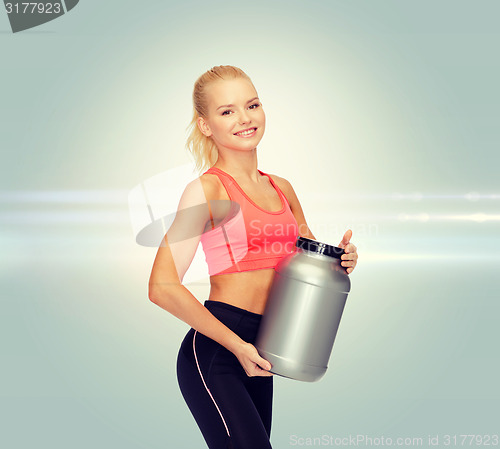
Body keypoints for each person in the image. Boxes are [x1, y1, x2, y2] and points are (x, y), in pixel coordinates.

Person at [148, 65, 358, 449]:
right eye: (227, 111)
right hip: (217, 350)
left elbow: (307, 263)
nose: (245, 118)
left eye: (252, 105)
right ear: (206, 125)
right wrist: (237, 346)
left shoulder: (282, 188)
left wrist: (340, 258)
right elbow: (161, 287)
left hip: (265, 348)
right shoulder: (207, 191)